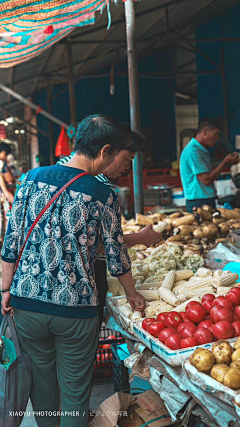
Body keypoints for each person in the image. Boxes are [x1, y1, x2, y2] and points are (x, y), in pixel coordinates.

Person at [1, 114, 146, 427]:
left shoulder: (29, 178)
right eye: (120, 155)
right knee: (76, 392)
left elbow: (10, 242)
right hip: (75, 309)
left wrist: (5, 289)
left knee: (41, 384)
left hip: (27, 304)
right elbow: (117, 254)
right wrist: (132, 294)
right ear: (105, 150)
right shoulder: (102, 194)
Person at [58, 127, 161, 327]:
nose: (128, 167)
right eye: (126, 158)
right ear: (108, 151)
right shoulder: (101, 187)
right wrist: (140, 238)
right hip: (81, 287)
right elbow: (105, 247)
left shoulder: (59, 168)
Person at [180, 117, 239, 213]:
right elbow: (206, 179)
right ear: (205, 132)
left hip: (206, 200)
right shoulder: (193, 151)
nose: (217, 138)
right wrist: (225, 162)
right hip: (198, 203)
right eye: (215, 134)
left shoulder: (201, 150)